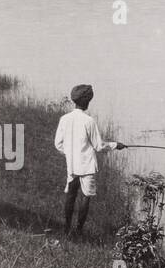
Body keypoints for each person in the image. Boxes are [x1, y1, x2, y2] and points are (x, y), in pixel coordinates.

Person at [53, 83, 125, 237]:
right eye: (89, 100)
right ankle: (78, 231)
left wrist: (70, 153)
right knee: (86, 197)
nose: (88, 103)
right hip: (87, 166)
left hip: (71, 165)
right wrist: (115, 145)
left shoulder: (64, 119)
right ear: (85, 101)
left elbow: (58, 144)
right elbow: (99, 146)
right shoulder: (88, 121)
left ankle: (66, 229)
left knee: (71, 195)